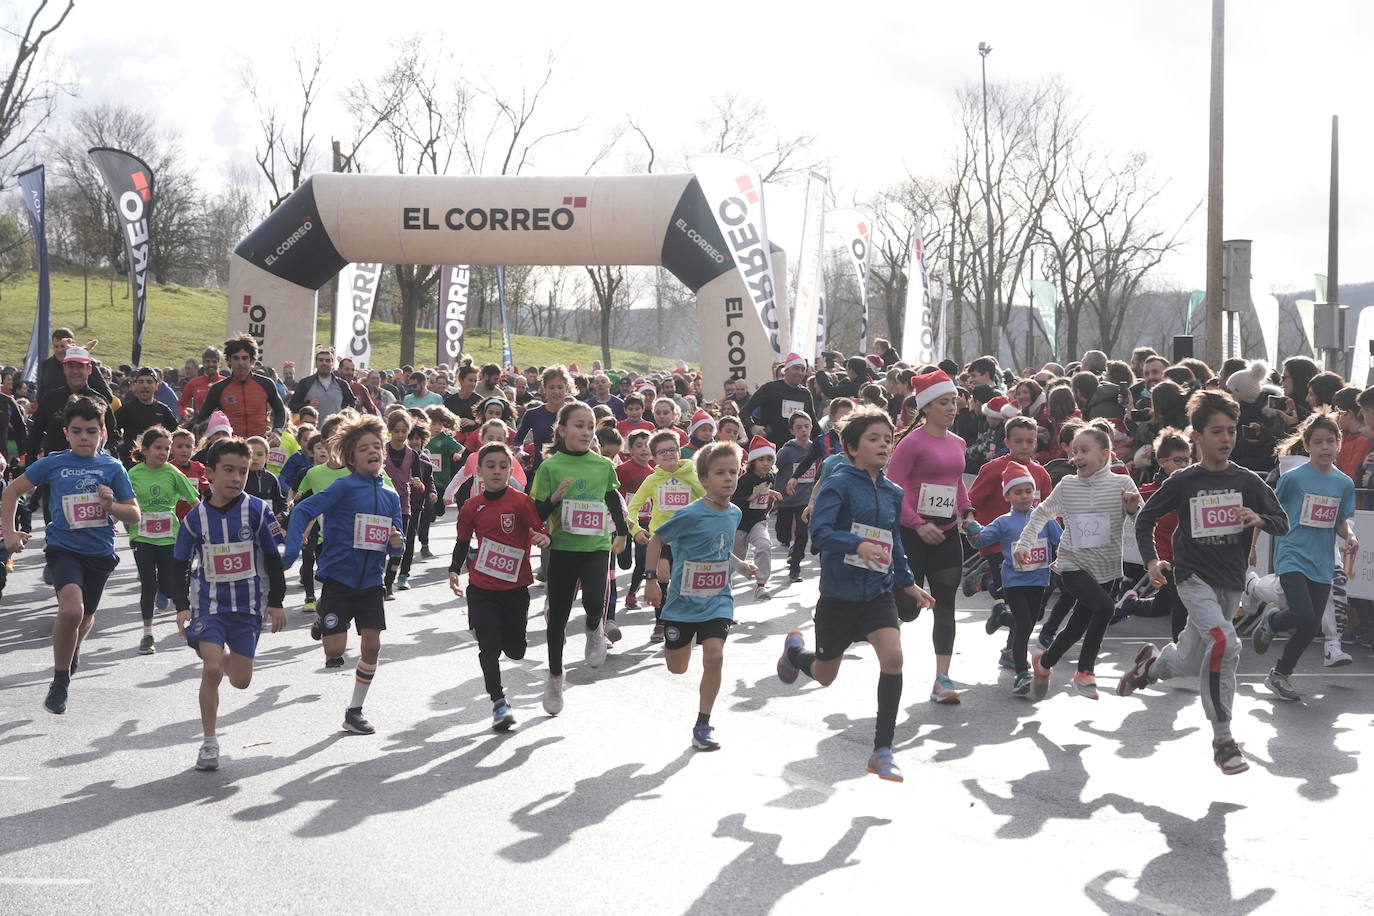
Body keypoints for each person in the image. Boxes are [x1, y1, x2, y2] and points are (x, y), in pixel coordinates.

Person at [1119, 390, 1289, 775]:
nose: (1226, 438)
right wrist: (1150, 562)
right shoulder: (1184, 481)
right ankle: (1223, 738)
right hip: (1193, 578)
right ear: (1197, 436)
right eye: (1217, 431)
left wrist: (1258, 520)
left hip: (1230, 583)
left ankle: (1150, 666)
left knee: (1191, 660)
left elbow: (1282, 521)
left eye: (1231, 431)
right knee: (1225, 643)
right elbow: (1145, 520)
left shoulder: (1246, 481)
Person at [775, 408, 934, 782]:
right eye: (874, 439)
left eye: (888, 439)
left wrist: (907, 582)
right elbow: (822, 530)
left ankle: (882, 750)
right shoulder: (839, 483)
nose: (883, 445)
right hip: (839, 595)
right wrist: (856, 543)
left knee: (893, 657)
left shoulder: (893, 492)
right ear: (850, 447)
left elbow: (894, 541)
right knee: (826, 675)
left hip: (878, 592)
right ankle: (795, 652)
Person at [2, 397, 141, 715]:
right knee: (71, 612)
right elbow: (11, 491)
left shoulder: (112, 467)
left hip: (100, 553)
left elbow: (134, 514)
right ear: (66, 432)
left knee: (86, 617)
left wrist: (111, 507)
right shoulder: (53, 463)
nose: (83, 438)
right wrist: (9, 533)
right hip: (63, 549)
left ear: (102, 433)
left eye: (90, 432)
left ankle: (73, 647)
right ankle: (60, 680)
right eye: (77, 431)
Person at [283, 414, 404, 735]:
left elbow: (398, 546)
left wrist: (396, 542)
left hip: (371, 583)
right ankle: (324, 613)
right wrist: (291, 551)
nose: (373, 451)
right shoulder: (343, 487)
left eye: (377, 446)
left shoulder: (391, 497)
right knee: (335, 652)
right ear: (351, 457)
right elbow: (304, 509)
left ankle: (355, 710)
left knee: (372, 647)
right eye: (364, 448)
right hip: (338, 578)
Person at [172, 437, 288, 770]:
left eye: (242, 471)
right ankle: (209, 743)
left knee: (240, 680)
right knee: (210, 669)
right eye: (228, 470)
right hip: (209, 606)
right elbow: (179, 563)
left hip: (247, 608)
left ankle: (224, 657)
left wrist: (276, 601)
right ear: (209, 473)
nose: (236, 478)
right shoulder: (195, 519)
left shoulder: (258, 511)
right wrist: (182, 605)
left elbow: (272, 556)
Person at [1015, 423, 1140, 701]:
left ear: (1105, 454)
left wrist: (1133, 509)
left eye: (1084, 450)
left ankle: (1045, 663)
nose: (1077, 457)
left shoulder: (1122, 484)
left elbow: (1140, 521)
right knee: (1106, 608)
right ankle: (1085, 672)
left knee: (1077, 626)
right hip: (1072, 565)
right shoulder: (1068, 485)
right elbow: (1040, 514)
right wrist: (1024, 544)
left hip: (1107, 570)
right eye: (1074, 451)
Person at [645, 440, 755, 751]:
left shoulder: (734, 513)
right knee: (677, 668)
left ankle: (703, 724)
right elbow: (656, 541)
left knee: (715, 656)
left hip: (718, 600)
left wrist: (740, 564)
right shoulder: (690, 514)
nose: (729, 478)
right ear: (704, 479)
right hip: (682, 605)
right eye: (720, 473)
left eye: (733, 472)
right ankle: (680, 642)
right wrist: (651, 580)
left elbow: (721, 548)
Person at [531, 401, 630, 713]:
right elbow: (535, 514)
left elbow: (613, 498)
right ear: (562, 430)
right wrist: (554, 499)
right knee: (557, 619)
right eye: (579, 425)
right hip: (561, 548)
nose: (586, 431)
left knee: (593, 601)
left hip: (596, 546)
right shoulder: (549, 467)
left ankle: (593, 630)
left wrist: (623, 532)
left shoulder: (602, 465)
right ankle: (555, 678)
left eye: (590, 426)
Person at [887, 370, 978, 703]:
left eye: (954, 401)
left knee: (945, 605)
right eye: (944, 402)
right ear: (926, 407)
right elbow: (892, 491)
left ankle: (943, 678)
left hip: (946, 536)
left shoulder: (958, 443)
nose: (952, 408)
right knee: (908, 610)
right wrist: (916, 523)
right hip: (912, 536)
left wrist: (966, 512)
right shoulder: (911, 443)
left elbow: (956, 483)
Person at [1252, 413, 1358, 699]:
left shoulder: (1344, 483)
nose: (1325, 447)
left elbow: (1340, 521)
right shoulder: (1293, 479)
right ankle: (1272, 622)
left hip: (1322, 560)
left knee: (1310, 627)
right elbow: (1270, 512)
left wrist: (1349, 537)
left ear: (1339, 445)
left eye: (1330, 441)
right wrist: (1253, 545)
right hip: (1292, 554)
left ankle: (1280, 674)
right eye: (1318, 442)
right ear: (1307, 446)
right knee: (1303, 613)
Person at [450, 442, 550, 731]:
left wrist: (544, 539)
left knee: (516, 650)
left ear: (510, 469)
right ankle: (499, 701)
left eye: (503, 466)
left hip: (516, 588)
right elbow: (461, 541)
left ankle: (506, 638)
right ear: (479, 471)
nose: (496, 471)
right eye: (490, 465)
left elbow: (540, 531)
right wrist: (454, 570)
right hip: (481, 587)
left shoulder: (520, 502)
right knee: (488, 646)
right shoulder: (471, 506)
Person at [974, 463, 1062, 695]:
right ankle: (1022, 673)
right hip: (1014, 582)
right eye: (1018, 492)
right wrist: (972, 530)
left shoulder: (1044, 518)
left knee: (1028, 624)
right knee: (1024, 626)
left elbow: (1060, 541)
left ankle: (1002, 616)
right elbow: (981, 540)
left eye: (1028, 491)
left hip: (1039, 581)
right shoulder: (1003, 522)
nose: (1024, 496)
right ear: (1007, 495)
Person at [127, 426, 201, 655]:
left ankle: (164, 589)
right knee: (148, 584)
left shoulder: (173, 472)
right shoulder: (133, 474)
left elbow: (194, 500)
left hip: (169, 536)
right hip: (142, 536)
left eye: (166, 448)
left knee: (170, 586)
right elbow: (124, 500)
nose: (163, 452)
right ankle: (147, 634)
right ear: (145, 449)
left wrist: (207, 524)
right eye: (158, 448)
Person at [628, 429, 707, 641]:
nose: (669, 454)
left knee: (688, 584)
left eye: (673, 449)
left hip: (690, 540)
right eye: (662, 452)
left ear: (679, 451)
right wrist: (635, 530)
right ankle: (660, 622)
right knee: (661, 579)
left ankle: (690, 621)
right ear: (654, 457)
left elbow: (710, 500)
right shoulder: (652, 480)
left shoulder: (692, 475)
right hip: (661, 540)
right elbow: (632, 508)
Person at [28, 347, 120, 462]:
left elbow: (113, 437)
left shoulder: (100, 400)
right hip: (55, 470)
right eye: (71, 366)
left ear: (89, 369)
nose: (75, 371)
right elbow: (36, 434)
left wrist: (102, 456)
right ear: (64, 369)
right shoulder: (50, 399)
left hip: (90, 472)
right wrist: (30, 465)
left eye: (80, 366)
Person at [192, 335, 288, 439]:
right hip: (231, 447)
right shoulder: (218, 388)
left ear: (252, 360)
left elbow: (280, 410)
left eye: (244, 358)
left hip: (259, 446)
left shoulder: (266, 384)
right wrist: (210, 436)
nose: (240, 363)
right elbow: (201, 418)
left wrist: (277, 431)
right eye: (236, 358)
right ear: (229, 360)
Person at [731, 436, 783, 600]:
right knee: (735, 559)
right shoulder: (744, 480)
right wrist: (755, 494)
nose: (766, 463)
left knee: (764, 545)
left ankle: (761, 585)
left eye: (769, 459)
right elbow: (735, 502)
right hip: (740, 524)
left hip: (758, 522)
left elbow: (764, 496)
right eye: (761, 459)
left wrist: (771, 494)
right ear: (753, 461)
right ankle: (723, 586)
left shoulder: (769, 477)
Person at [614, 429, 655, 610]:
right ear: (630, 449)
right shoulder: (622, 470)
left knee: (643, 558)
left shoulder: (654, 473)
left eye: (647, 445)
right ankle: (623, 560)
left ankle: (632, 594)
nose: (644, 449)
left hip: (644, 520)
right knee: (624, 562)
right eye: (639, 446)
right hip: (624, 519)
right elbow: (614, 494)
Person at [774, 411, 816, 583]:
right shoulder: (786, 452)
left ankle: (795, 568)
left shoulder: (815, 449)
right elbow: (773, 469)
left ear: (811, 428)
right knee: (783, 533)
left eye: (806, 427)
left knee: (802, 534)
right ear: (792, 431)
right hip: (785, 499)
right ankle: (788, 544)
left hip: (805, 501)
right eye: (799, 428)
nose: (803, 431)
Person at [741, 352, 818, 446]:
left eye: (803, 369)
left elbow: (813, 423)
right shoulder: (770, 388)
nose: (800, 372)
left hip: (797, 448)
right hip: (771, 447)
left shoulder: (805, 394)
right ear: (786, 370)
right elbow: (745, 411)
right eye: (796, 368)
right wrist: (753, 426)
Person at [115, 367, 179, 465]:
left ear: (156, 386)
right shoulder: (126, 409)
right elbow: (112, 431)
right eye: (141, 382)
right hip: (130, 461)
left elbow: (176, 433)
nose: (145, 385)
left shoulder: (163, 410)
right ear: (135, 385)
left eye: (149, 382)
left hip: (157, 463)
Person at [288, 348, 357, 420]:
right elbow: (292, 406)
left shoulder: (342, 384)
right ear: (316, 363)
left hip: (335, 429)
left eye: (327, 361)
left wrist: (346, 417)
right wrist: (306, 406)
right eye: (321, 360)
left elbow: (352, 403)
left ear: (332, 364)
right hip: (311, 430)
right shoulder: (305, 383)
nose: (324, 363)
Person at [178, 347, 223, 419]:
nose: (211, 364)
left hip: (222, 426)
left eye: (214, 362)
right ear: (203, 363)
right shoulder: (194, 383)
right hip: (200, 426)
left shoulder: (225, 382)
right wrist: (185, 415)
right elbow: (181, 404)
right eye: (208, 362)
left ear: (219, 363)